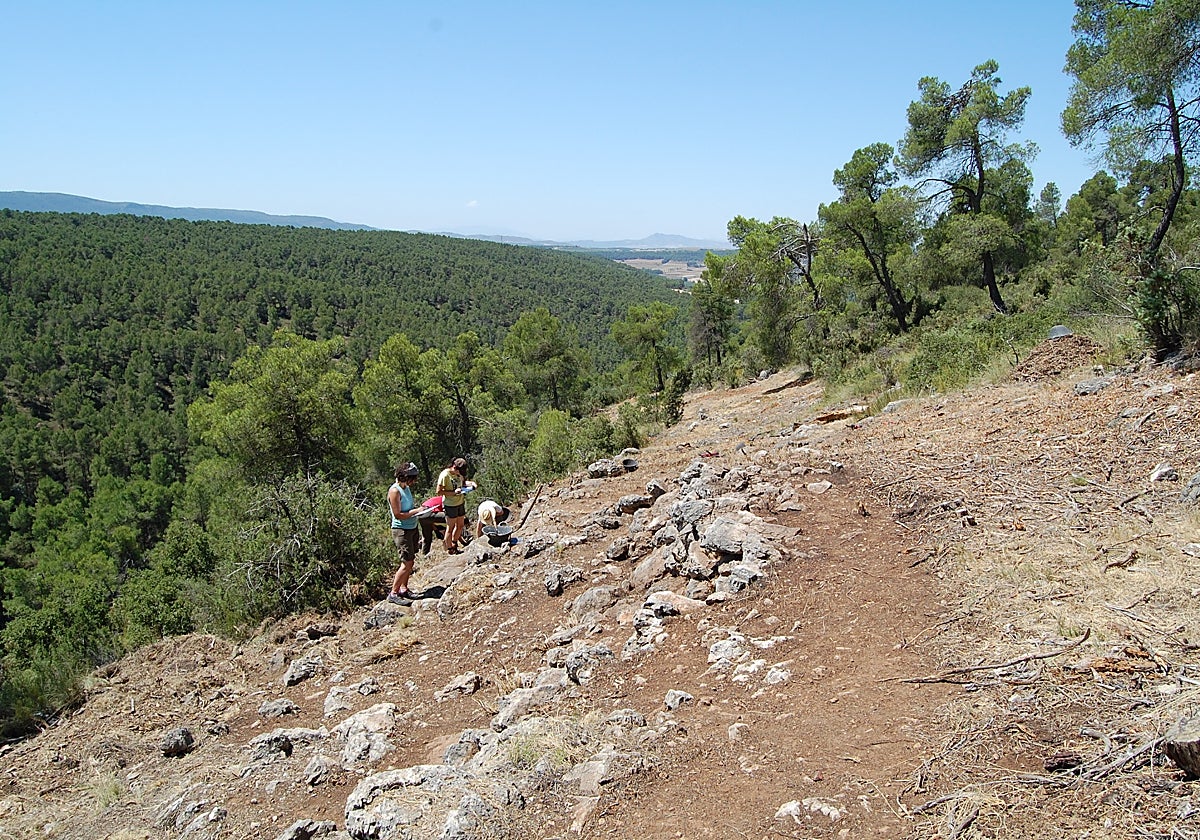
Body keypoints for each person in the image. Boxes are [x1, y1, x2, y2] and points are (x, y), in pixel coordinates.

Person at [386, 462, 421, 604]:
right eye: (413, 478)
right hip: (401, 530)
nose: (414, 481)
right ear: (406, 477)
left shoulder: (405, 488)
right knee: (406, 562)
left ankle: (404, 589)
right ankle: (393, 593)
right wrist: (416, 511)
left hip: (412, 527)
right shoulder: (395, 491)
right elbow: (398, 514)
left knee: (411, 561)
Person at [436, 457, 475, 554]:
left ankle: (454, 543)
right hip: (450, 505)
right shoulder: (445, 475)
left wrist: (472, 484)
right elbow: (439, 492)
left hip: (460, 502)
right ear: (454, 467)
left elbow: (463, 483)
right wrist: (453, 492)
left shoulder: (459, 474)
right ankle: (449, 549)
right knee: (450, 527)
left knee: (460, 525)